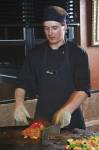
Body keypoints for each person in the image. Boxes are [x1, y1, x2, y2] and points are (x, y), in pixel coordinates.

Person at [14, 6, 90, 130]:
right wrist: (19, 104)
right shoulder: (35, 54)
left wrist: (66, 110)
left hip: (71, 119)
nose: (50, 33)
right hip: (42, 120)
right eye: (46, 28)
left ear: (64, 26)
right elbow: (22, 82)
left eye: (54, 28)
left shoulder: (78, 54)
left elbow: (83, 89)